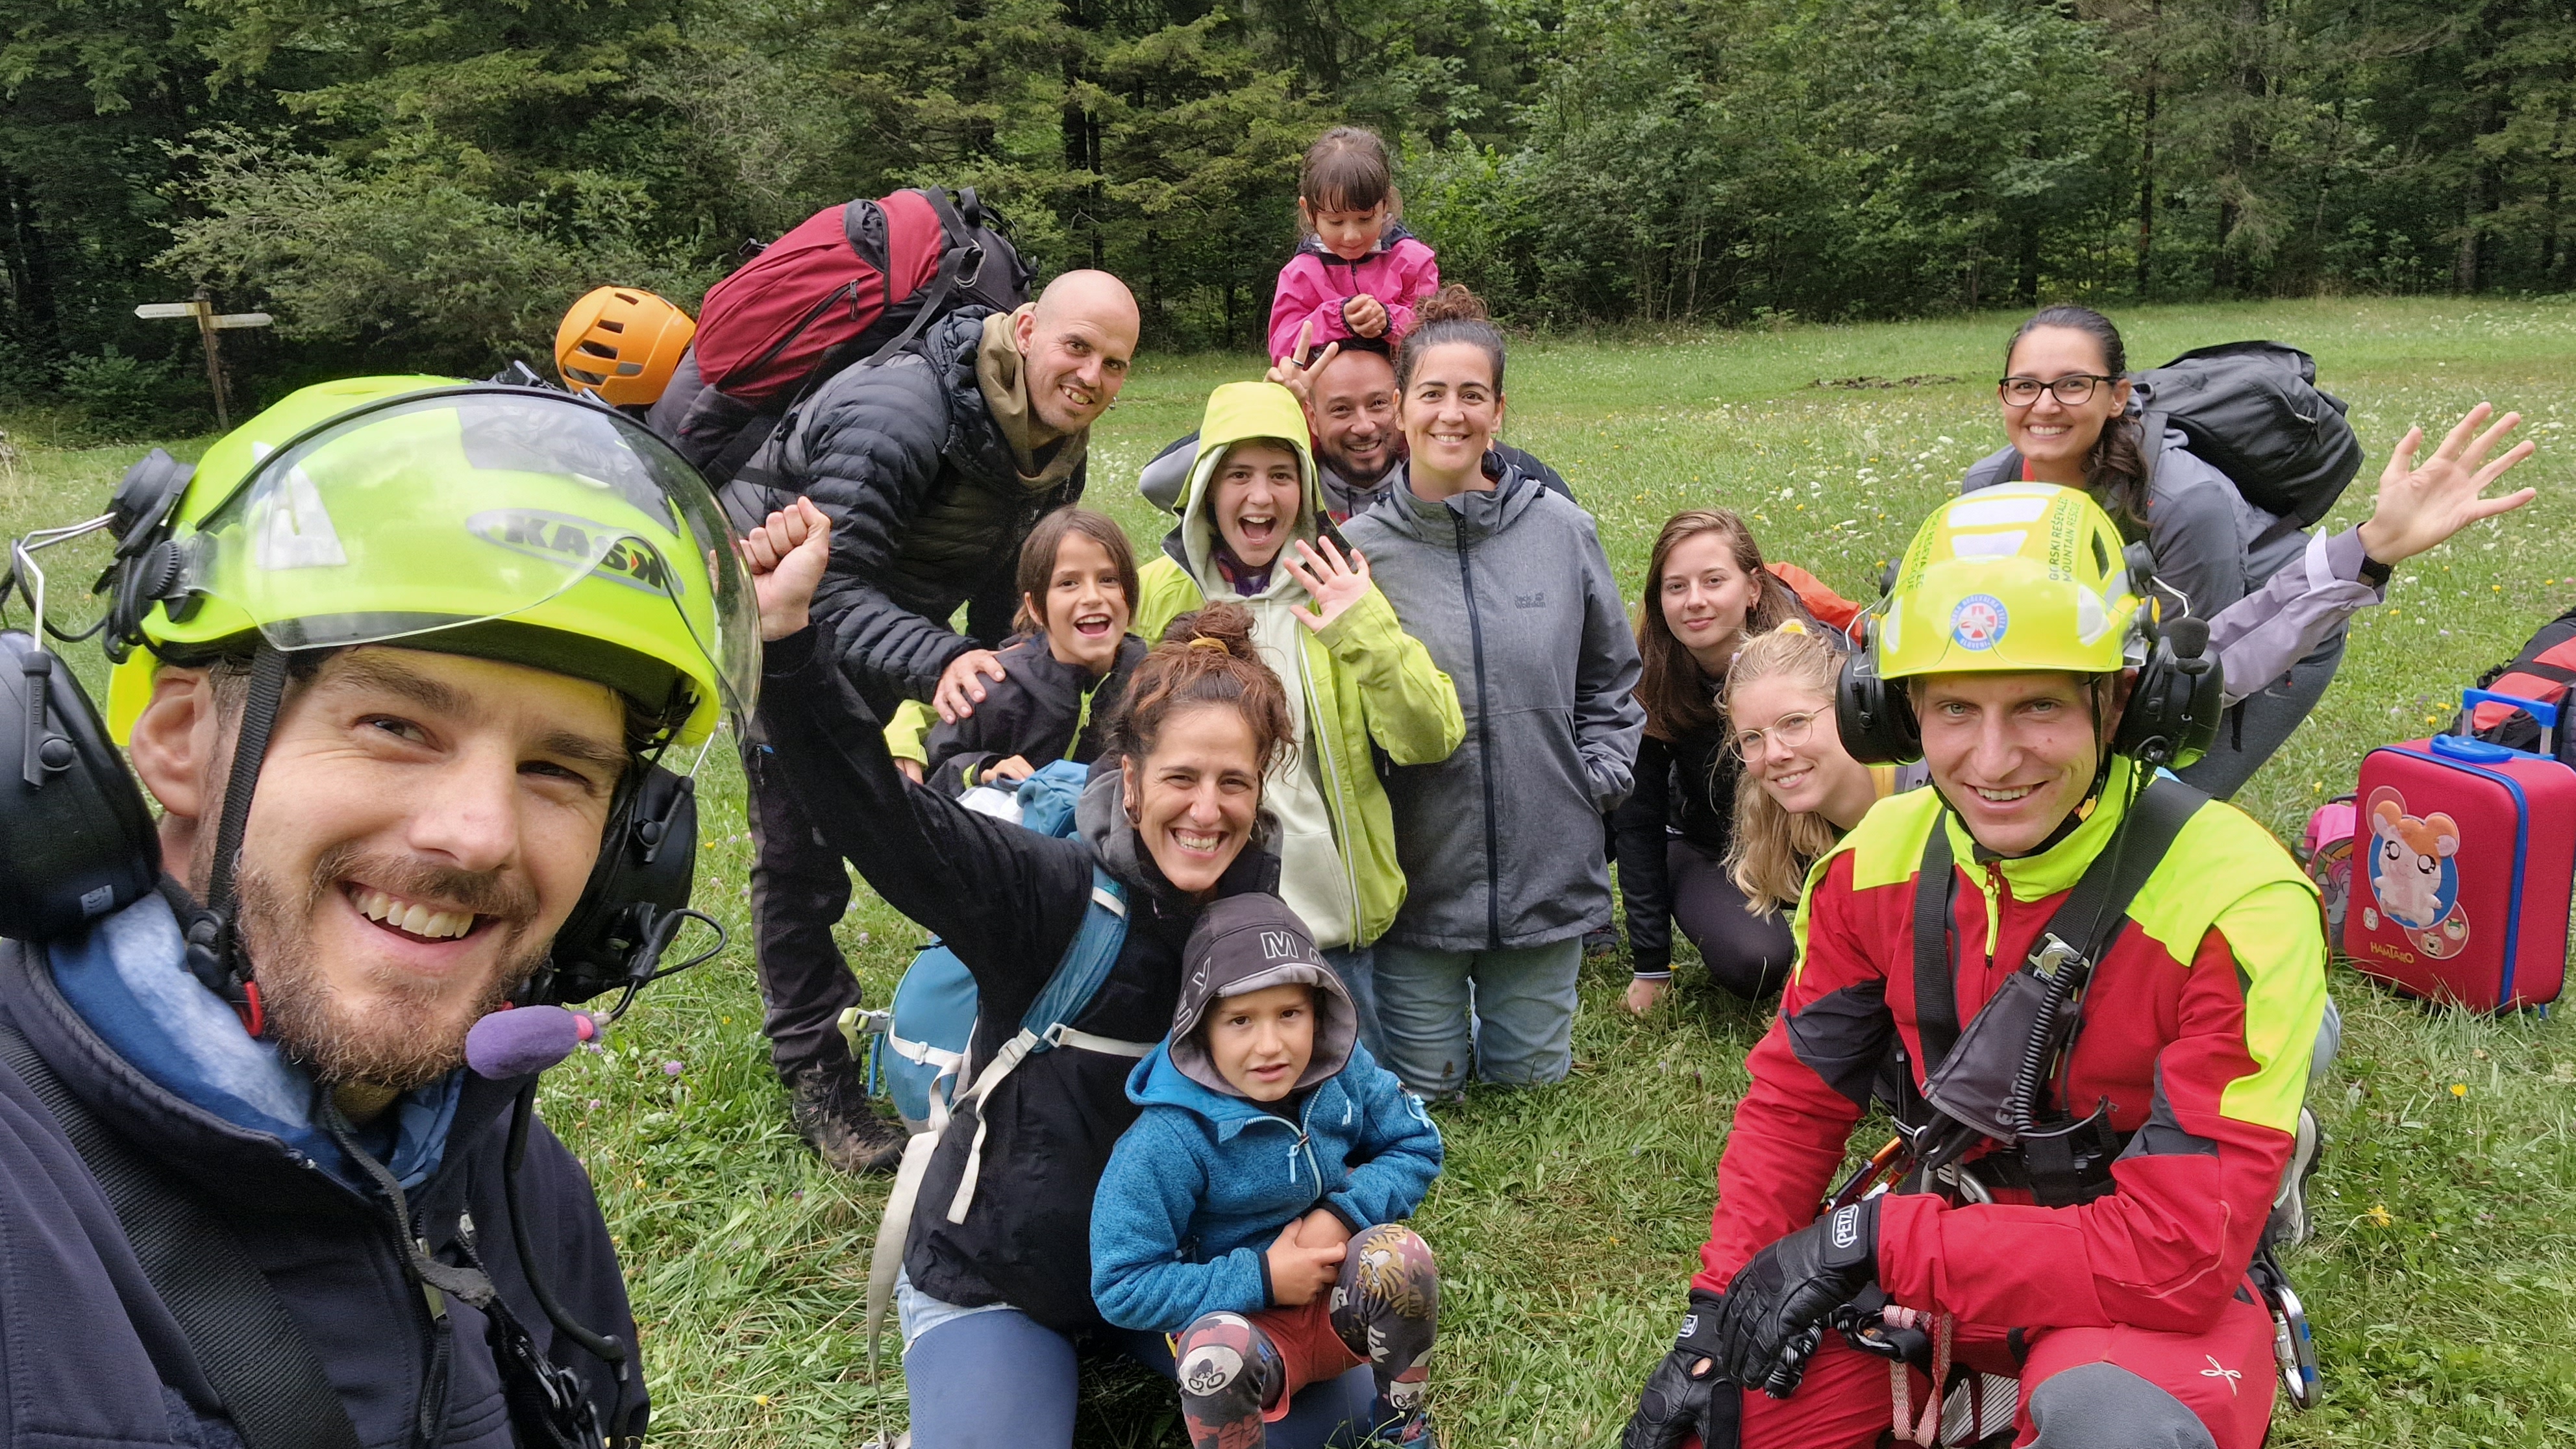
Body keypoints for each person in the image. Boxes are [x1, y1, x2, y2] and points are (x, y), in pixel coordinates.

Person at [0, 381, 758, 1448]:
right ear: (175, 737)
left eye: (556, 768)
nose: (480, 833)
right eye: (396, 723)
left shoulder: (512, 1176)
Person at [1621, 483, 2336, 1449]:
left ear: (2125, 697)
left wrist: (1878, 1241)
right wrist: (1711, 1311)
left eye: (2039, 702)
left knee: (2113, 1429)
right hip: (1952, 1232)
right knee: (1726, 1410)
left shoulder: (2240, 901)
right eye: (1955, 707)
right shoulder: (1870, 862)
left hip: (2128, 1291)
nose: (1993, 761)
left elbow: (2173, 1257)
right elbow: (1797, 1102)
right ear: (1895, 713)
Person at [738, 497, 1400, 1447]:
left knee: (1335, 1431)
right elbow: (881, 818)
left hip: (1178, 1268)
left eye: (1233, 784)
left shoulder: (1260, 928)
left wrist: (1325, 1224)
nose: (1206, 812)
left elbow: (1340, 1108)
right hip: (1004, 1272)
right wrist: (789, 640)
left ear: (1261, 795)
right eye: (1180, 779)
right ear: (1127, 780)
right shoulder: (1042, 893)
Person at [732, 269, 1142, 1173]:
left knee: (949, 840)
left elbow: (1011, 569)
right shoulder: (901, 414)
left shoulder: (1055, 434)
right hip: (779, 619)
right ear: (1027, 329)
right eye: (1078, 348)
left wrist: (1006, 693)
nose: (1092, 377)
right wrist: (940, 661)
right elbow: (826, 586)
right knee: (801, 854)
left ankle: (989, 1005)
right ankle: (814, 1069)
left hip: (902, 624)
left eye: (1115, 364)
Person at [1339, 286, 1646, 1099]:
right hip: (1419, 885)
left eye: (1471, 394)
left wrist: (1594, 781)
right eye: (1431, 394)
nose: (1451, 414)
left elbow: (1611, 677)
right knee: (1428, 1090)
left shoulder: (1561, 531)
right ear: (1400, 409)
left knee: (1528, 1084)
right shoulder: (1355, 555)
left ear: (1498, 410)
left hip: (1546, 870)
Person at [1134, 379, 1465, 1062]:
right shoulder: (1155, 593)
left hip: (1326, 930)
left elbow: (1431, 736)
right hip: (1191, 922)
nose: (1260, 498)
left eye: (1281, 475)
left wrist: (1363, 629)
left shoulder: (1339, 591)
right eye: (1239, 475)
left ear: (1306, 491)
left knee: (1363, 1106)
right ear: (1204, 488)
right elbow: (1039, 650)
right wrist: (913, 730)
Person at [1090, 895, 1444, 1448]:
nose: (1271, 1045)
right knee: (1214, 1351)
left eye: (1289, 1014)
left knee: (1402, 1257)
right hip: (1249, 1336)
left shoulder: (1345, 1070)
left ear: (1319, 1010)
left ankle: (1402, 1428)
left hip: (1335, 1309)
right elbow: (1121, 1286)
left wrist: (1341, 1215)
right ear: (1200, 1030)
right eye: (1240, 1021)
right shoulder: (1162, 1142)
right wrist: (1262, 1278)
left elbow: (1417, 1142)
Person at [1962, 306, 2341, 797]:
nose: (2045, 406)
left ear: (2118, 396)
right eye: (2025, 386)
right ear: (2004, 395)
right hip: (2139, 636)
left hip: (2263, 639)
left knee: (2157, 807)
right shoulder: (1988, 488)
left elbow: (2201, 659)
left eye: (2073, 384)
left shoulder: (2184, 501)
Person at [1616, 510, 1815, 1014]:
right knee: (1757, 962)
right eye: (1676, 586)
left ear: (1752, 588)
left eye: (1713, 581)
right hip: (1710, 847)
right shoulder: (1649, 678)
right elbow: (1638, 825)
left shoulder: (1812, 660)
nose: (1695, 601)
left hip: (1815, 844)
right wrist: (1651, 967)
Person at [1137, 336, 1575, 525]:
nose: (1364, 426)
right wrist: (1266, 410)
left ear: (1401, 405)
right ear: (1311, 416)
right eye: (1341, 409)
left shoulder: (1445, 466)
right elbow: (1157, 484)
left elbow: (1566, 514)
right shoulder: (1283, 477)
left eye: (1379, 404)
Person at [882, 506, 1148, 797]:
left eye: (1108, 579)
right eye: (1068, 583)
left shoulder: (1151, 686)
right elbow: (935, 778)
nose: (1093, 597)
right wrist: (984, 769)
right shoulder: (994, 693)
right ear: (1035, 607)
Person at [1269, 127, 1441, 364]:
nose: (1352, 236)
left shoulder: (1413, 262)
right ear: (1309, 211)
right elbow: (1281, 348)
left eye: (1365, 218)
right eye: (1336, 222)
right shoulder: (1300, 274)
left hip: (1397, 398)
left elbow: (1436, 340)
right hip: (1329, 399)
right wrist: (1336, 318)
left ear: (1385, 205)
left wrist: (1388, 320)